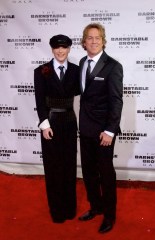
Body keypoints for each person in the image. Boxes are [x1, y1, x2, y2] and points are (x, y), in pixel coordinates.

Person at [78, 23, 123, 233]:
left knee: (106, 174)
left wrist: (110, 131)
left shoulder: (113, 66)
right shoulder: (81, 62)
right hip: (85, 129)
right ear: (84, 41)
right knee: (88, 172)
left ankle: (109, 216)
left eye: (97, 37)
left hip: (104, 132)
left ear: (103, 41)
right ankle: (95, 207)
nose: (93, 41)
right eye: (89, 37)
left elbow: (116, 101)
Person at [34, 34, 80, 223]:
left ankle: (70, 209)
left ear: (69, 49)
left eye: (64, 47)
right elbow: (39, 99)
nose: (60, 51)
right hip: (50, 123)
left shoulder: (77, 70)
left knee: (69, 166)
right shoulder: (41, 70)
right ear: (52, 49)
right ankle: (57, 211)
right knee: (53, 167)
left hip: (69, 121)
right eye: (57, 48)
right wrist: (44, 124)